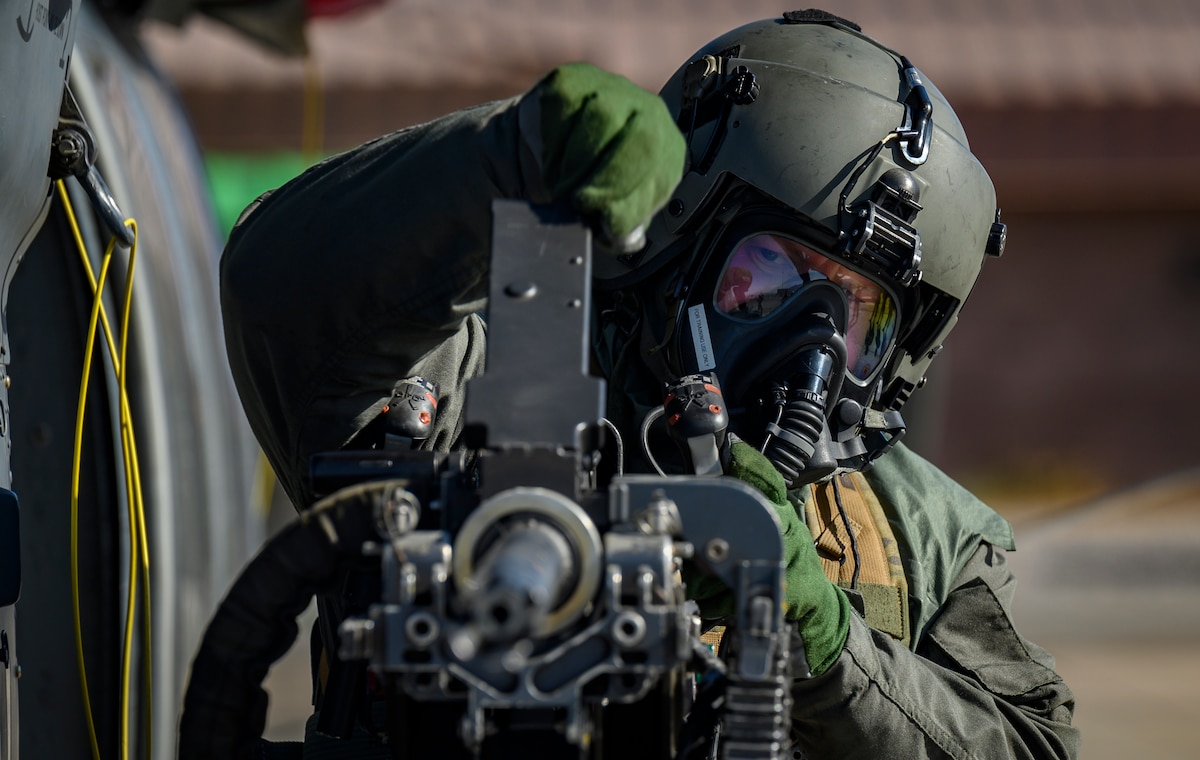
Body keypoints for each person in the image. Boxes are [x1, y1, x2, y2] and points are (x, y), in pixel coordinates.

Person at [219, 9, 1079, 758]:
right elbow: (290, 299)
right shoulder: (486, 401)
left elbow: (1031, 744)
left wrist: (827, 645)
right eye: (771, 272)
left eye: (857, 313)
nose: (808, 346)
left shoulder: (919, 535)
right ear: (680, 245)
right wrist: (500, 165)